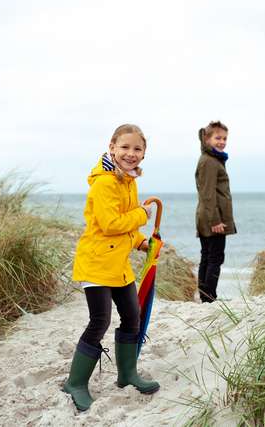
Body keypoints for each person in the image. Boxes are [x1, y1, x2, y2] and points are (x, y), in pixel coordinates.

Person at [63, 124, 160, 412]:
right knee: (100, 321)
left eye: (137, 148)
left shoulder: (128, 180)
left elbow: (123, 227)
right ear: (112, 148)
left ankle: (127, 374)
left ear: (144, 153)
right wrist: (143, 214)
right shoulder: (105, 183)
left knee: (132, 316)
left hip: (118, 265)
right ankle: (76, 382)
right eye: (125, 147)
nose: (131, 153)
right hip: (96, 264)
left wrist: (142, 243)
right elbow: (110, 224)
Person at [195, 120, 236, 303]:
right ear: (207, 138)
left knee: (208, 255)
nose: (222, 142)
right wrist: (215, 221)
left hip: (209, 215)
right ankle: (209, 297)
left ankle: (205, 295)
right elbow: (208, 193)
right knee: (214, 257)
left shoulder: (213, 159)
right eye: (217, 138)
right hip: (212, 218)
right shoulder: (209, 162)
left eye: (225, 138)